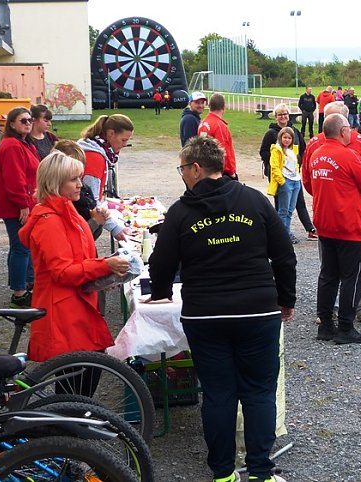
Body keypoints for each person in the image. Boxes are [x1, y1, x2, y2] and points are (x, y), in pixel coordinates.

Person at [148, 136, 296, 482]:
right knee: (259, 392)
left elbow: (161, 261)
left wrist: (160, 292)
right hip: (257, 311)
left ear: (196, 169)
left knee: (219, 395)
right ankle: (261, 472)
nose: (182, 175)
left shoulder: (181, 212)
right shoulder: (254, 200)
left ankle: (224, 473)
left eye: (183, 169)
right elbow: (284, 254)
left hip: (206, 315)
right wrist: (285, 300)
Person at [18, 152, 130, 391]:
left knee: (84, 374)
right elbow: (62, 271)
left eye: (79, 177)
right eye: (73, 179)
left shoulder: (67, 212)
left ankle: (76, 419)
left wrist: (103, 274)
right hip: (64, 310)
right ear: (55, 182)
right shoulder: (49, 221)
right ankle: (73, 421)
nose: (81, 183)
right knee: (76, 379)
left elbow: (79, 257)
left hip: (76, 305)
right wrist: (104, 266)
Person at [302, 114, 361, 344]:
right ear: (343, 131)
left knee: (328, 275)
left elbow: (309, 184)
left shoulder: (316, 154)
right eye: (349, 129)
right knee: (352, 277)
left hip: (325, 224)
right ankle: (346, 327)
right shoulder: (348, 155)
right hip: (350, 225)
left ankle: (325, 325)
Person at [0, 107, 39, 308]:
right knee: (21, 247)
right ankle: (19, 293)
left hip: (24, 203)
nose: (28, 123)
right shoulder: (12, 145)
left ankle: (24, 286)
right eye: (23, 120)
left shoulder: (24, 143)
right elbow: (15, 180)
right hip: (16, 206)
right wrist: (23, 205)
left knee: (22, 246)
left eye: (30, 120)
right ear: (11, 124)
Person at [259, 103, 316, 241]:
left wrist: (298, 161)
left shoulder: (294, 132)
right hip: (279, 175)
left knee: (299, 202)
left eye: (285, 114)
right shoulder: (271, 133)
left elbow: (303, 149)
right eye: (280, 114)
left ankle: (310, 229)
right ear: (276, 116)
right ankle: (281, 233)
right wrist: (277, 163)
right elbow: (263, 152)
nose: (283, 117)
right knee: (281, 206)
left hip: (293, 174)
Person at [77, 114, 133, 222]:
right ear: (111, 134)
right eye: (123, 140)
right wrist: (116, 228)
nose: (125, 144)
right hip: (85, 217)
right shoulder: (94, 157)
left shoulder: (97, 149)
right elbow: (92, 201)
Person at [267, 127, 302, 240]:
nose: (287, 140)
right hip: (285, 181)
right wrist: (282, 182)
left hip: (295, 181)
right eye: (285, 137)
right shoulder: (277, 150)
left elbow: (296, 164)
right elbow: (275, 167)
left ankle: (286, 232)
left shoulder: (293, 150)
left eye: (289, 138)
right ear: (280, 137)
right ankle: (281, 235)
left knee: (290, 210)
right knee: (283, 210)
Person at [198, 93, 238, 179]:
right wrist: (231, 172)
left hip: (206, 169)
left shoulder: (202, 123)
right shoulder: (219, 125)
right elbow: (224, 151)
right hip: (220, 172)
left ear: (209, 106)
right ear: (223, 107)